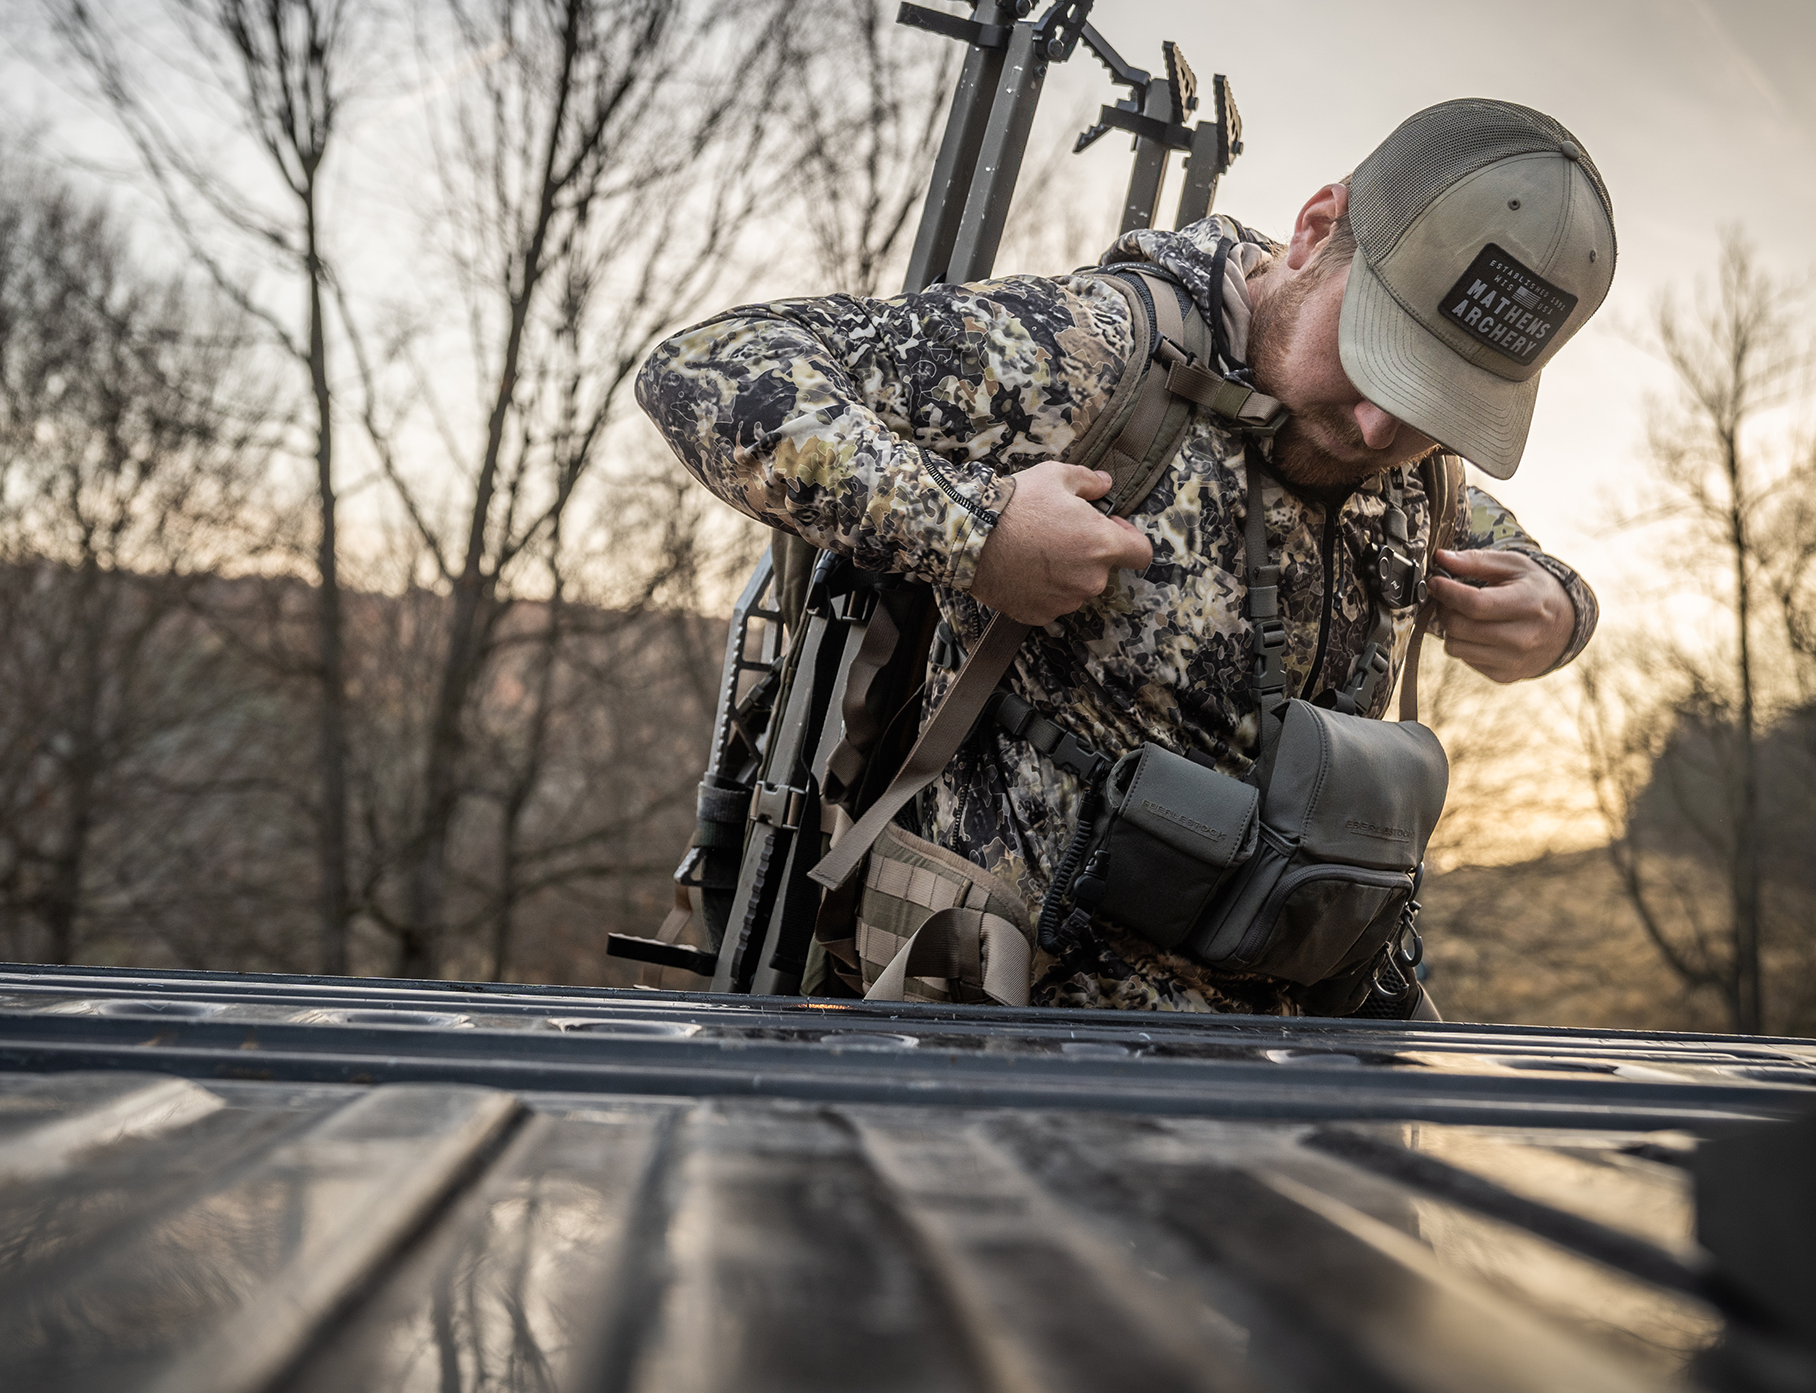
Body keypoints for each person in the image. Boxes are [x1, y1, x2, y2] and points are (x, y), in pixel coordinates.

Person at [635, 98, 1613, 1013]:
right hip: (996, 1075)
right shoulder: (1091, 352)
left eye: (1433, 407)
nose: (1372, 426)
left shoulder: (1415, 475)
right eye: (1374, 356)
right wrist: (974, 534)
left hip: (1287, 1095)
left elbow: (1534, 573)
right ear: (1315, 231)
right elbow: (709, 368)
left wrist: (1560, 613)